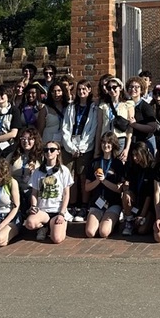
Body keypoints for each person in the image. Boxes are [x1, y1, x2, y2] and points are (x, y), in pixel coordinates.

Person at [61, 78, 99, 222]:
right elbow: (65, 127)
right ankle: (71, 205)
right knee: (70, 176)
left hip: (85, 147)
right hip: (70, 146)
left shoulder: (93, 108)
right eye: (80, 89)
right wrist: (71, 147)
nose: (82, 92)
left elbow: (92, 129)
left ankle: (83, 205)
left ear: (89, 91)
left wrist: (81, 147)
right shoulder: (71, 107)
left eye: (85, 89)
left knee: (83, 176)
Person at [24, 140, 73, 244]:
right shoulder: (38, 171)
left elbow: (66, 194)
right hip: (43, 210)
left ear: (58, 152)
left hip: (57, 210)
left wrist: (62, 213)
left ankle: (54, 226)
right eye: (46, 150)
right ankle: (45, 226)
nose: (49, 152)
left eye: (52, 150)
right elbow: (34, 193)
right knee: (30, 223)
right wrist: (33, 206)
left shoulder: (63, 170)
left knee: (57, 239)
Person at [84, 132, 125, 239]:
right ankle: (98, 219)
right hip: (97, 203)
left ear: (113, 145)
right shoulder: (94, 162)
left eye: (109, 143)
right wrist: (97, 181)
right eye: (103, 142)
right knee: (90, 233)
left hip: (113, 203)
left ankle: (113, 223)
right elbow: (87, 187)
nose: (105, 145)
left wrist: (104, 180)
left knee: (103, 233)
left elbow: (119, 189)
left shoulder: (118, 164)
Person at [97, 75, 135, 162]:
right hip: (105, 140)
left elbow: (130, 128)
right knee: (106, 166)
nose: (112, 90)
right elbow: (99, 126)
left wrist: (127, 148)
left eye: (114, 87)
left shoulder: (128, 104)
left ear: (120, 88)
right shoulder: (103, 105)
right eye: (109, 88)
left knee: (119, 166)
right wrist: (97, 148)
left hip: (120, 139)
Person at [120, 141, 155, 236]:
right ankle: (129, 221)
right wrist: (125, 187)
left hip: (149, 205)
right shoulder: (133, 166)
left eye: (137, 155)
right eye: (133, 155)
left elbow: (149, 195)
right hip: (137, 201)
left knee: (141, 230)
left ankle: (149, 220)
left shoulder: (152, 168)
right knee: (126, 195)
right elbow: (127, 180)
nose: (135, 158)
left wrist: (142, 215)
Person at [10, 126, 43, 216]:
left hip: (33, 189)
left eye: (30, 139)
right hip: (15, 189)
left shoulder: (41, 156)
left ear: (35, 140)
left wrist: (35, 173)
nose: (25, 141)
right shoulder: (13, 155)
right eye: (23, 138)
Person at [126, 76, 158, 154]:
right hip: (132, 143)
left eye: (137, 87)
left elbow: (152, 127)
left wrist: (135, 125)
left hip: (145, 143)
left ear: (141, 90)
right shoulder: (125, 105)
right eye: (131, 87)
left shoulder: (145, 107)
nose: (133, 89)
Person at [37, 81, 68, 147]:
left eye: (59, 91)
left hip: (63, 144)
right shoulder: (45, 109)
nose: (56, 93)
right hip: (47, 143)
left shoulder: (68, 108)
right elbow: (40, 130)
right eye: (54, 91)